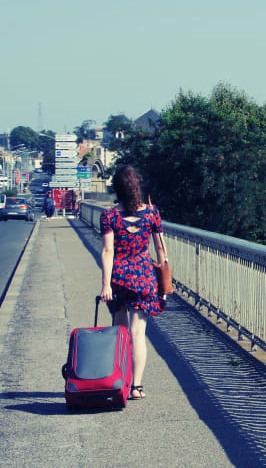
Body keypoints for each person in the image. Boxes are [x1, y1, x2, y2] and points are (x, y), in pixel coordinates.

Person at [99, 166, 166, 400]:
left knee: (120, 332)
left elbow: (108, 251)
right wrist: (163, 281)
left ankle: (120, 381)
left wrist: (106, 284)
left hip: (118, 278)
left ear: (117, 189)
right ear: (138, 186)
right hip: (144, 277)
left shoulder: (109, 216)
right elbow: (160, 249)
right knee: (139, 334)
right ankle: (136, 387)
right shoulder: (152, 213)